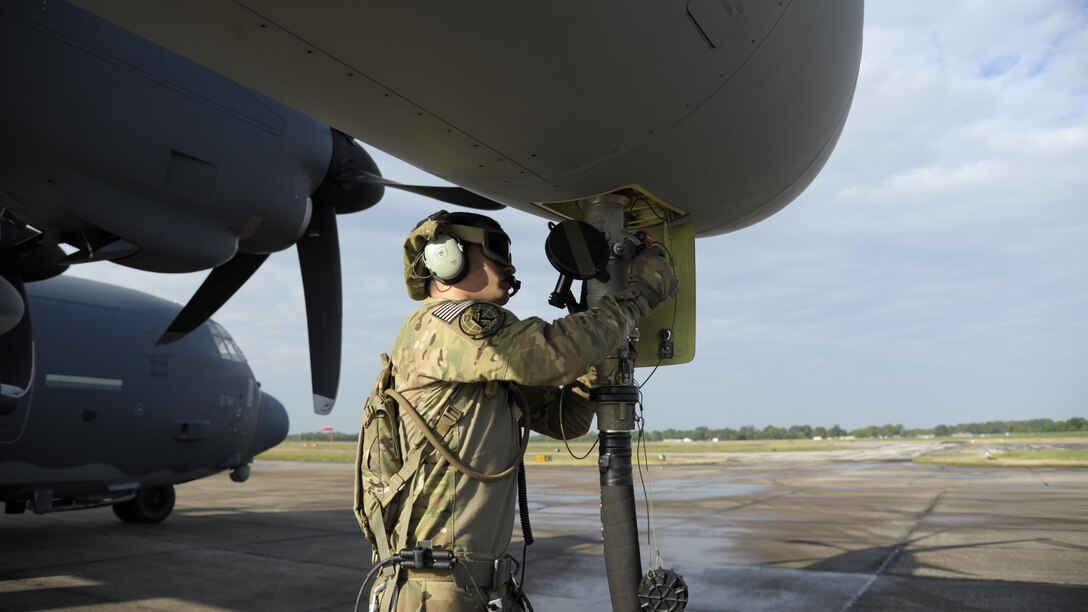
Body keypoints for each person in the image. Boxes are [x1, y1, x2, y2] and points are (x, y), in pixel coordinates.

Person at [367, 210, 676, 611]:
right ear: (448, 258)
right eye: (496, 250)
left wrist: (596, 367)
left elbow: (566, 419)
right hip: (436, 591)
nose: (509, 265)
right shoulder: (442, 327)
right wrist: (639, 293)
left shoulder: (480, 364)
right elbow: (551, 356)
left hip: (471, 588)